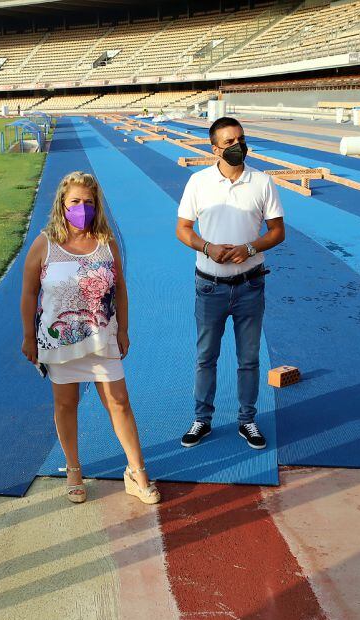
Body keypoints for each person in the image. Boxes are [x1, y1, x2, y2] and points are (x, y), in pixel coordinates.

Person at [20, 171, 159, 506]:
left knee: (119, 402)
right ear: (62, 204)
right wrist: (28, 337)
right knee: (66, 405)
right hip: (60, 340)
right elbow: (28, 293)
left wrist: (123, 329)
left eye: (88, 202)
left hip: (103, 337)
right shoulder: (45, 244)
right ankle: (73, 469)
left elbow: (121, 290)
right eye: (75, 202)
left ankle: (137, 472)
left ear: (97, 206)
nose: (82, 208)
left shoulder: (106, 242)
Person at [175, 116, 285, 450]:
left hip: (251, 286)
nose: (237, 146)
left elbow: (278, 231)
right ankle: (202, 419)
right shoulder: (198, 182)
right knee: (206, 356)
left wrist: (250, 247)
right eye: (228, 142)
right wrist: (207, 247)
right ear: (215, 149)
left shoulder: (262, 182)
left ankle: (247, 420)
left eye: (240, 139)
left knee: (248, 359)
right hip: (209, 286)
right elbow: (182, 229)